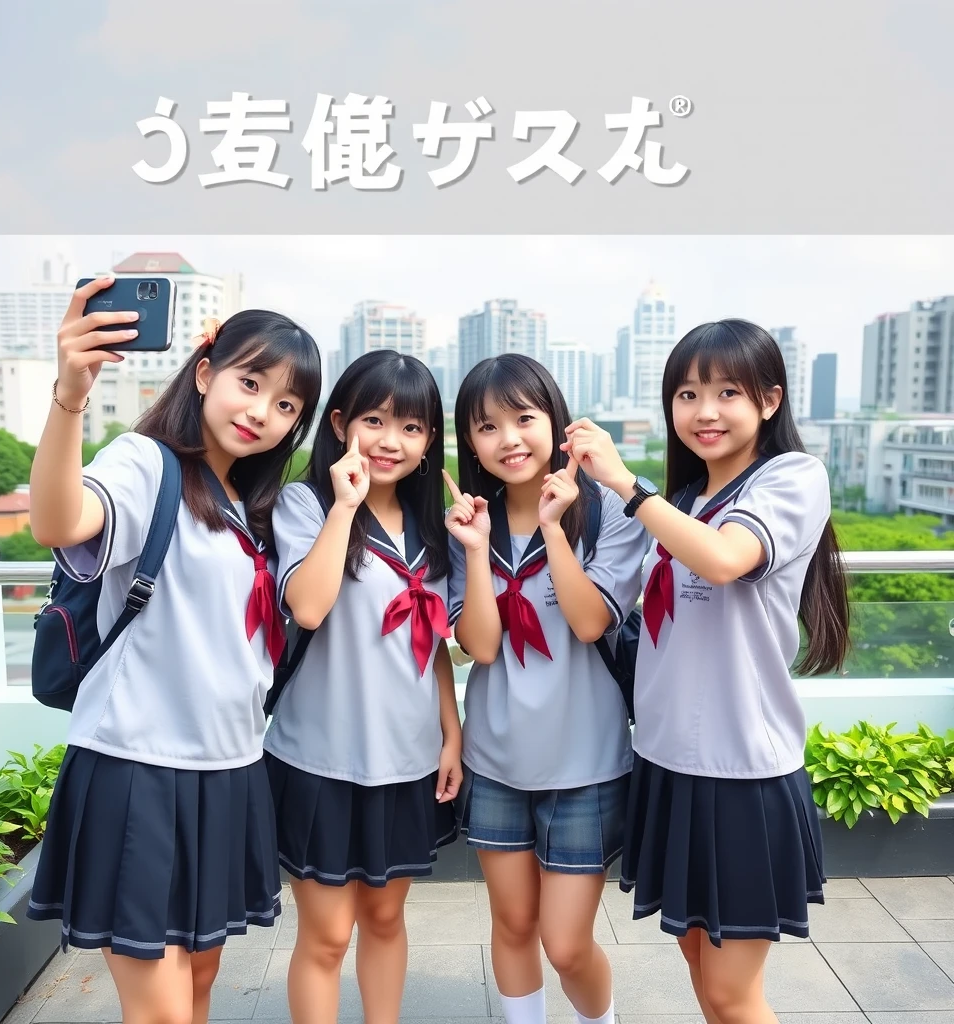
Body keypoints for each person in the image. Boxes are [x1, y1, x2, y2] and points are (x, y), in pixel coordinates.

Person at [27, 278, 321, 1024]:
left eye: (286, 404)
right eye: (249, 382)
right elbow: (60, 522)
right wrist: (70, 398)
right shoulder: (146, 464)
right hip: (136, 771)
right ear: (203, 373)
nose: (262, 412)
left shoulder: (254, 508)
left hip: (226, 771)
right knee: (159, 1007)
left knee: (196, 988)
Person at [563, 319, 850, 1024]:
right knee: (699, 967)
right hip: (668, 763)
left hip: (742, 774)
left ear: (771, 401)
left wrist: (628, 485)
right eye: (687, 395)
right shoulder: (686, 502)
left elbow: (724, 560)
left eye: (728, 392)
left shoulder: (791, 478)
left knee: (730, 991)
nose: (705, 411)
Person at [446, 353, 647, 1024]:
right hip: (497, 758)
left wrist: (555, 528)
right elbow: (480, 645)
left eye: (524, 418)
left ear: (555, 422)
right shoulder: (470, 521)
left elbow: (591, 623)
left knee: (565, 944)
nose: (508, 439)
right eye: (486, 426)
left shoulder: (610, 512)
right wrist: (476, 551)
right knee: (512, 924)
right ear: (468, 441)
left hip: (585, 762)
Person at [264, 349, 461, 1024]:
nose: (391, 441)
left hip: (405, 757)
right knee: (325, 935)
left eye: (411, 427)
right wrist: (345, 506)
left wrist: (451, 733)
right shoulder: (304, 503)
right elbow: (309, 607)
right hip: (320, 757)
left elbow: (433, 642)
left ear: (430, 440)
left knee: (384, 918)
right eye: (375, 420)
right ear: (342, 422)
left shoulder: (433, 526)